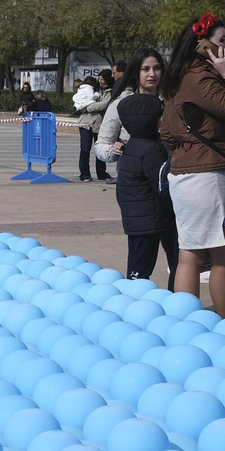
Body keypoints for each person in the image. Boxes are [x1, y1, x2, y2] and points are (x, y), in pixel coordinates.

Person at [159, 13, 225, 315]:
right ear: (203, 45)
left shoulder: (179, 74)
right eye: (222, 41)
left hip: (186, 173)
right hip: (208, 174)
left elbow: (165, 131)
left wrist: (187, 148)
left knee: (190, 254)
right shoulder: (201, 75)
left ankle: (186, 324)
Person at [114, 88, 178, 289]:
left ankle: (133, 297)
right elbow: (162, 186)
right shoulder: (152, 150)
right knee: (176, 260)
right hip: (154, 219)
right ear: (149, 120)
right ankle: (174, 296)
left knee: (137, 266)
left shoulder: (131, 146)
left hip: (136, 219)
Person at [96, 50, 162, 185]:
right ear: (136, 72)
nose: (152, 74)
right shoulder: (121, 104)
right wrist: (112, 151)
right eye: (145, 69)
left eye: (157, 68)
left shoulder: (172, 102)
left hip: (170, 178)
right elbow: (100, 146)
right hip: (134, 181)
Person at [74, 74, 112, 182]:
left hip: (99, 123)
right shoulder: (87, 91)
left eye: (102, 79)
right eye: (99, 79)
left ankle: (101, 172)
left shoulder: (108, 91)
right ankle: (84, 173)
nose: (100, 81)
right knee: (85, 149)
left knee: (100, 149)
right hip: (85, 122)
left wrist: (88, 108)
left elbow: (104, 104)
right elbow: (79, 103)